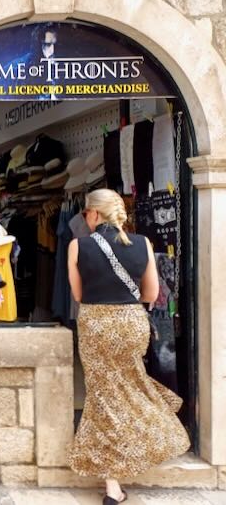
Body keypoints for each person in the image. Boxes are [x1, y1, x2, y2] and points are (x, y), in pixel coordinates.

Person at [66, 189, 189, 504]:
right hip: (131, 323)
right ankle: (143, 447)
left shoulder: (77, 246)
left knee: (103, 396)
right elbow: (150, 294)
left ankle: (112, 485)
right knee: (129, 385)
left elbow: (78, 296)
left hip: (95, 324)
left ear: (93, 214)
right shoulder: (143, 244)